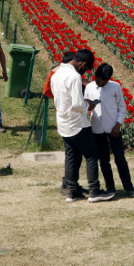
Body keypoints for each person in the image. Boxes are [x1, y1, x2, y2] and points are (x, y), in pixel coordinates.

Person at [50, 49, 114, 203]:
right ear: (83, 64)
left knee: (71, 156)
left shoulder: (56, 73)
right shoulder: (74, 76)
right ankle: (94, 191)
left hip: (63, 121)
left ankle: (71, 192)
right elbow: (78, 103)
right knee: (92, 156)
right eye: (86, 69)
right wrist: (89, 105)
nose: (85, 72)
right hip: (77, 123)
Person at [84, 63, 134, 197]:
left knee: (120, 158)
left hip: (114, 128)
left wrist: (118, 124)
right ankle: (110, 187)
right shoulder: (89, 87)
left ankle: (129, 187)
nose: (100, 83)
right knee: (103, 159)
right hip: (97, 129)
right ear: (95, 75)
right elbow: (86, 106)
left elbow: (122, 107)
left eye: (104, 81)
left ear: (109, 79)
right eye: (98, 80)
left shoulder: (115, 87)